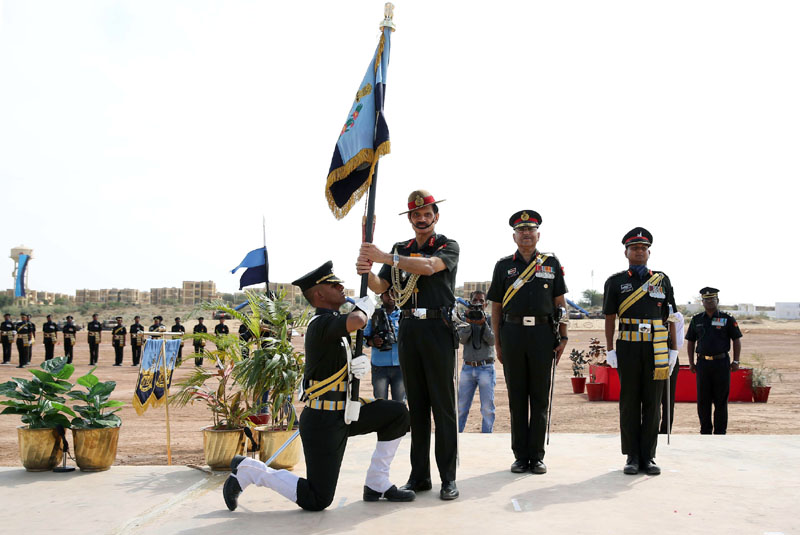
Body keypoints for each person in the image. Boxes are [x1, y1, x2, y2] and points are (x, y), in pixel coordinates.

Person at [223, 261, 414, 512]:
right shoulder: (321, 324)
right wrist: (365, 308)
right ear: (319, 294)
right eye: (334, 285)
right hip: (323, 420)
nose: (341, 287)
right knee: (318, 500)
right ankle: (250, 471)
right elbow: (357, 320)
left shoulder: (334, 321)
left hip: (346, 412)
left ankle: (377, 482)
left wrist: (356, 367)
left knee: (397, 414)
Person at [356, 189, 460, 501]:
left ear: (435, 217)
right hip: (410, 328)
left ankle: (448, 478)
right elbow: (383, 286)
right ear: (411, 219)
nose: (422, 219)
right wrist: (367, 269)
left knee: (443, 408)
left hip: (438, 328)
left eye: (427, 214)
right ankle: (420, 476)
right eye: (417, 215)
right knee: (416, 408)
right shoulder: (400, 249)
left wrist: (385, 258)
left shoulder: (447, 246)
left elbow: (429, 267)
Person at [487, 211, 568, 474]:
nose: (526, 234)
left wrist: (563, 336)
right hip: (512, 334)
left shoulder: (551, 264)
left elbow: (560, 304)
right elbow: (496, 307)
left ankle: (538, 455)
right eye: (521, 230)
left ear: (538, 235)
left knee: (540, 397)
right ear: (514, 236)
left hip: (543, 335)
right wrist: (498, 342)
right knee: (517, 398)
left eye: (531, 230)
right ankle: (521, 456)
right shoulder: (503, 267)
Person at [603, 227, 678, 476]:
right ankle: (632, 456)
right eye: (634, 248)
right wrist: (610, 350)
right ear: (626, 252)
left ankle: (649, 455)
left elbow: (672, 317)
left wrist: (674, 351)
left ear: (649, 252)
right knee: (630, 402)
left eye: (643, 248)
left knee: (653, 402)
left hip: (657, 347)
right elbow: (610, 318)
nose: (639, 251)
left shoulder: (662, 280)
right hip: (628, 346)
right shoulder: (616, 281)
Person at [686, 287, 743, 435]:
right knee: (703, 400)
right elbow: (691, 341)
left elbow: (736, 339)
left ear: (717, 301)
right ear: (702, 302)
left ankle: (720, 432)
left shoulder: (727, 318)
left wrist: (736, 361)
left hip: (721, 363)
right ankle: (705, 431)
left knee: (721, 400)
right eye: (706, 300)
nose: (709, 302)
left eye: (712, 299)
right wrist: (691, 362)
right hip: (703, 364)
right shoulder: (696, 319)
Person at [457, 290, 497, 434]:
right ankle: (457, 437)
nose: (478, 303)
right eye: (475, 300)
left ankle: (486, 438)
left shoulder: (491, 319)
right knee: (461, 407)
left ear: (486, 304)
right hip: (467, 367)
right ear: (470, 302)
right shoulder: (464, 318)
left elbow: (492, 340)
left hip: (486, 367)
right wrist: (468, 322)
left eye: (481, 301)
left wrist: (483, 323)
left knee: (487, 408)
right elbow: (461, 339)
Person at [364, 291, 405, 401]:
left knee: (400, 403)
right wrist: (372, 342)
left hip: (400, 365)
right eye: (388, 294)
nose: (391, 297)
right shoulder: (373, 316)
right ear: (381, 296)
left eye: (394, 294)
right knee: (380, 402)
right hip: (380, 366)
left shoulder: (404, 315)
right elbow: (364, 338)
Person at [659, 308, 685, 434]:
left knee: (668, 398)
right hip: (652, 357)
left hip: (670, 356)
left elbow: (678, 342)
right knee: (652, 397)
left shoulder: (676, 316)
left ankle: (665, 430)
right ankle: (650, 429)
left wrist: (672, 354)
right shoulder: (649, 311)